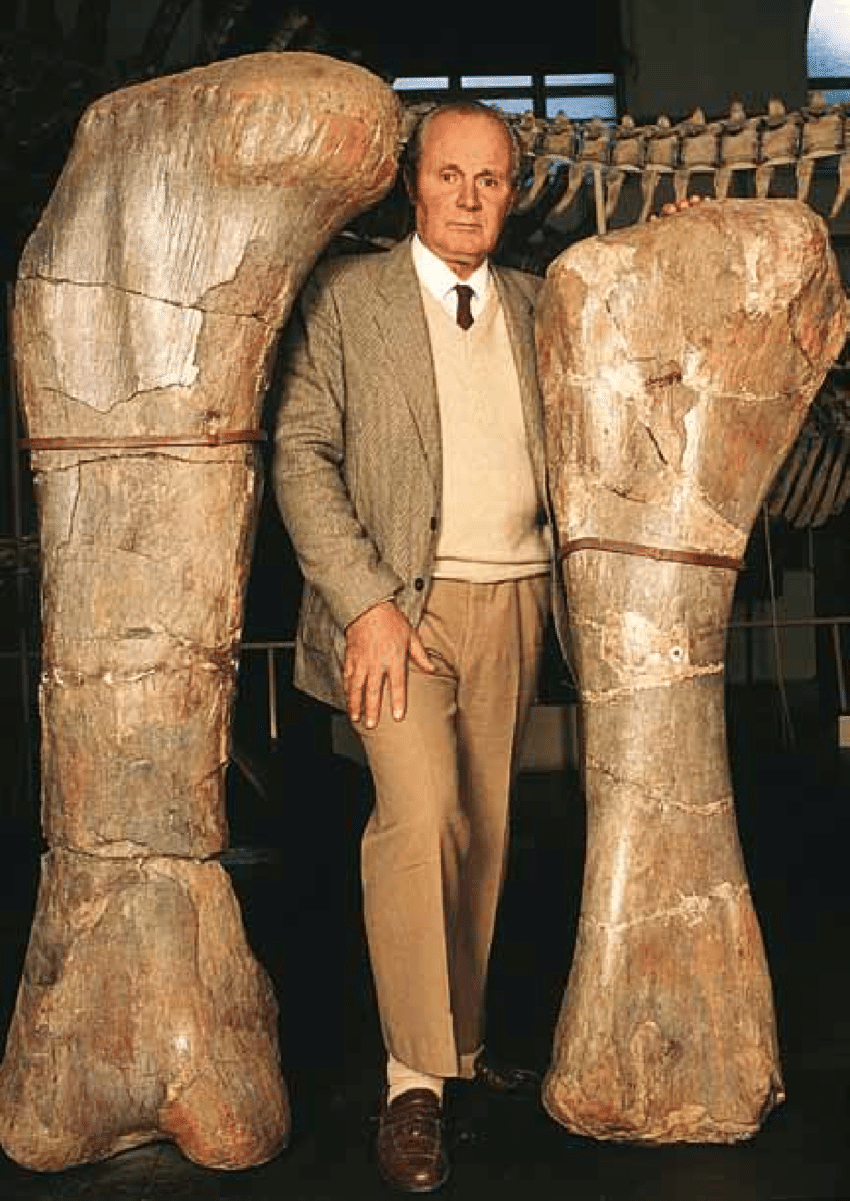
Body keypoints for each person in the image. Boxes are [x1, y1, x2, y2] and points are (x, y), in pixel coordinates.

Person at [273, 99, 566, 1193]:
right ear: (414, 183)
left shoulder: (542, 305)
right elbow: (300, 453)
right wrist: (364, 604)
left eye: (489, 179)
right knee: (420, 816)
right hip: (399, 609)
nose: (468, 197)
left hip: (517, 596)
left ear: (512, 194)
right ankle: (412, 1085)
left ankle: (461, 1045)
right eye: (449, 175)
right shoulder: (345, 300)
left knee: (484, 831)